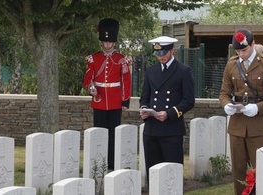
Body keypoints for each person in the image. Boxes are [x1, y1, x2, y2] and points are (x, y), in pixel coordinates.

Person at [219, 29, 263, 195]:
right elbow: (224, 93)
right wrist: (226, 104)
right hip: (237, 125)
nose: (241, 54)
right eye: (238, 51)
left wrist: (258, 108)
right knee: (238, 172)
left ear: (253, 44)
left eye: (244, 50)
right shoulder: (231, 64)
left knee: (260, 170)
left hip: (259, 125)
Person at [139, 36, 195, 184]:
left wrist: (169, 114)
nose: (160, 57)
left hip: (171, 129)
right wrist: (144, 109)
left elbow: (189, 101)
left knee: (171, 175)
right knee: (153, 173)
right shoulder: (151, 71)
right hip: (151, 128)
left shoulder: (183, 71)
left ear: (172, 51)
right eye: (157, 54)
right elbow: (145, 96)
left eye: (163, 53)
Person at [83, 18, 131, 170]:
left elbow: (126, 81)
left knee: (114, 134)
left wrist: (125, 101)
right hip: (99, 100)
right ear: (102, 42)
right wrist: (91, 88)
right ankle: (99, 161)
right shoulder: (94, 58)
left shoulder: (121, 59)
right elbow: (88, 77)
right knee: (99, 133)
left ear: (114, 42)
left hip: (116, 100)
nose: (107, 44)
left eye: (110, 42)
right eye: (105, 41)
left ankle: (112, 162)